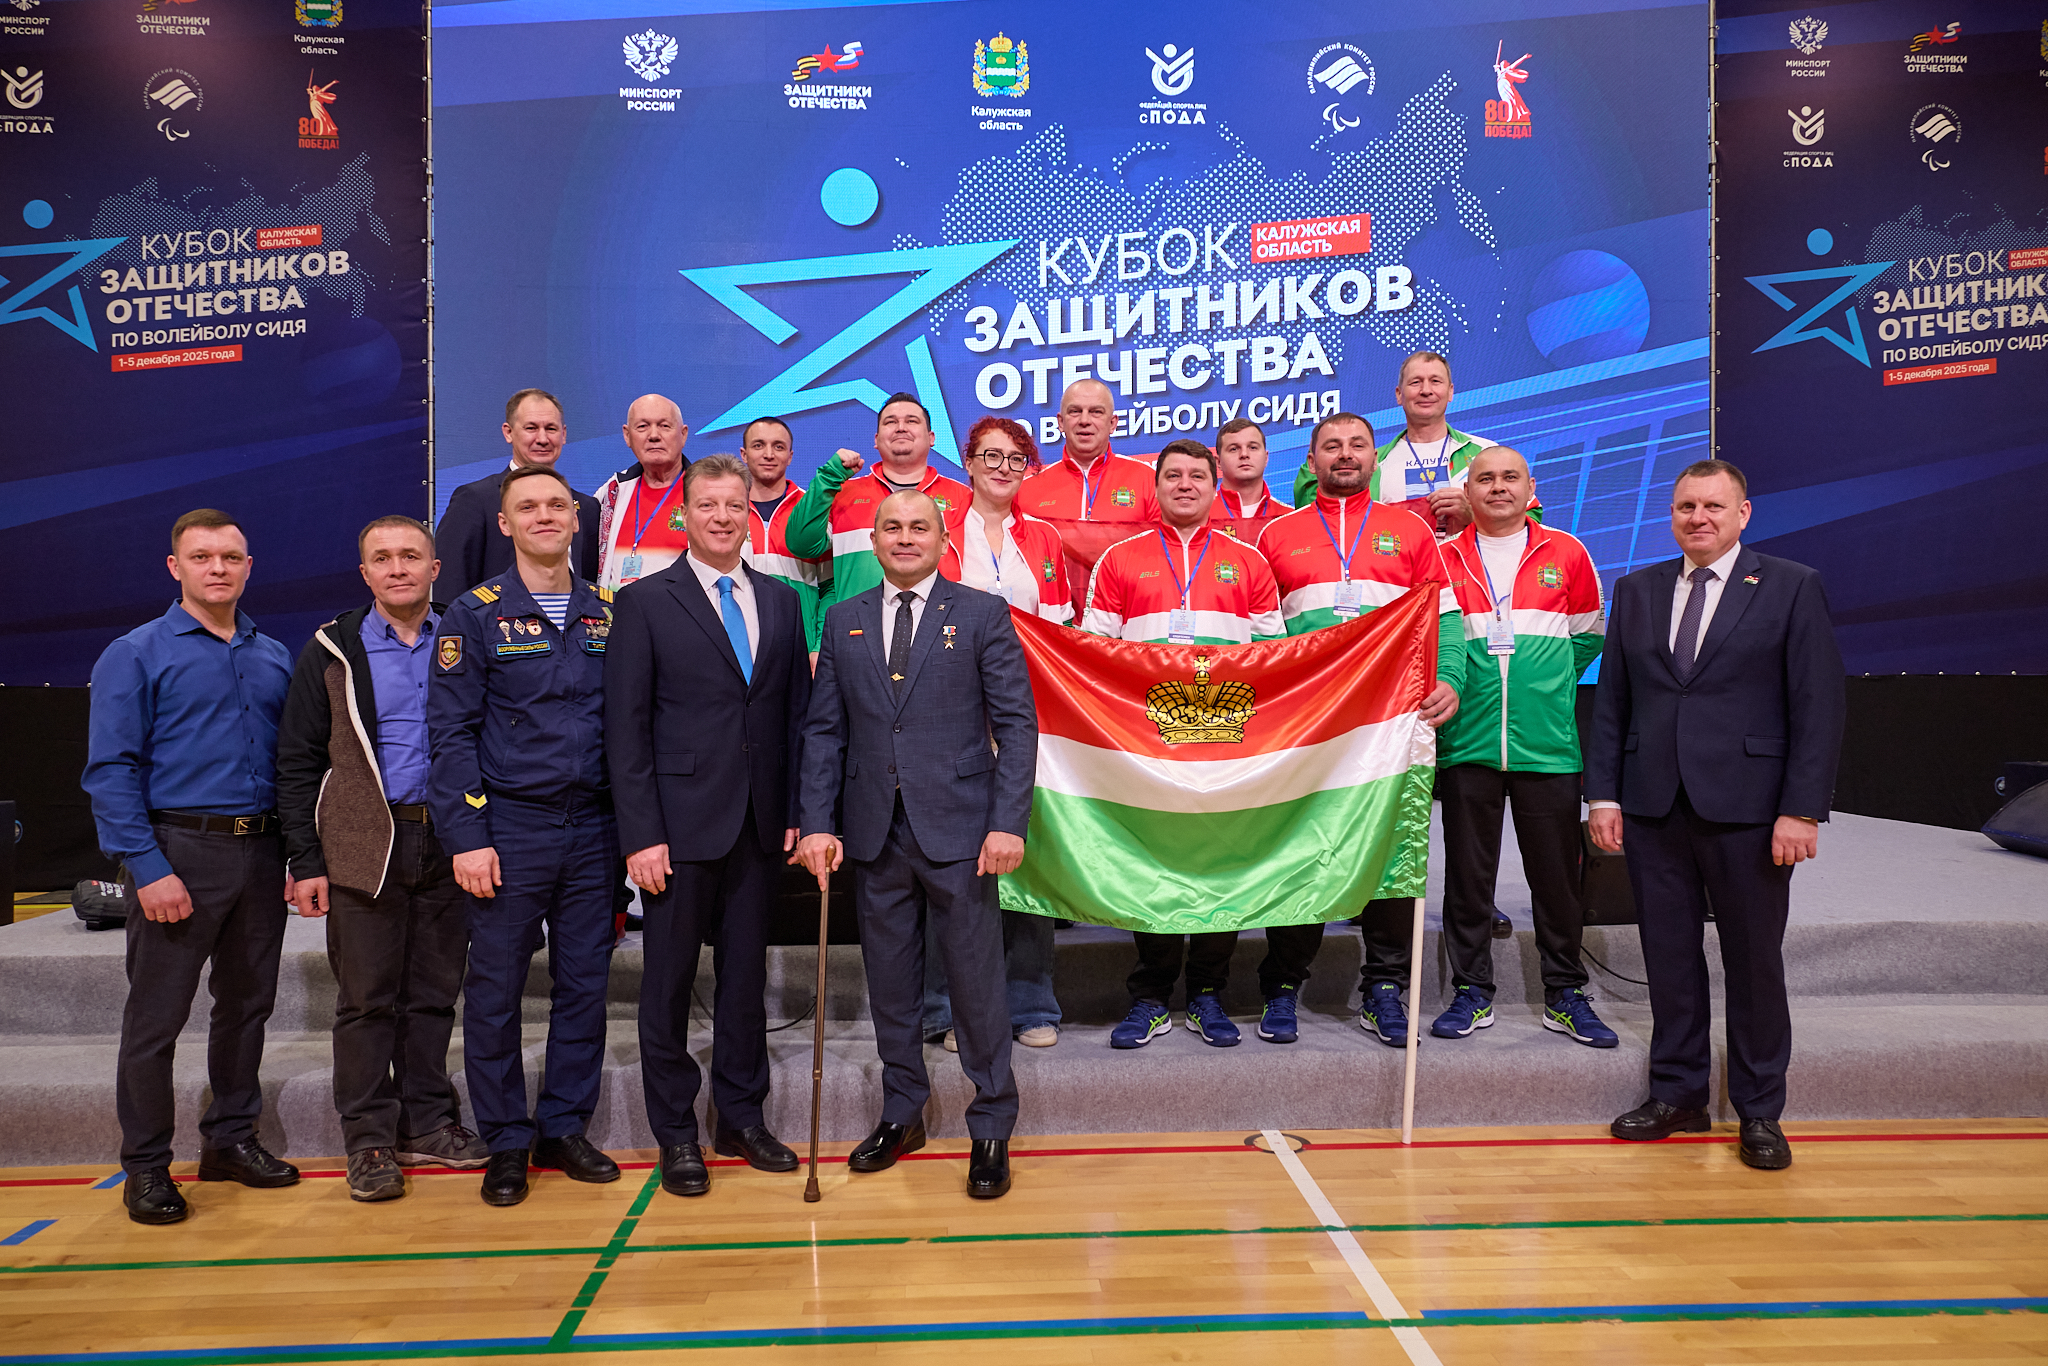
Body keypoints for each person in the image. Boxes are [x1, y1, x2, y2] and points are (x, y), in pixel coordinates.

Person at [1588, 459, 1845, 1171]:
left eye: (1712, 506)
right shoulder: (1636, 590)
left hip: (1752, 812)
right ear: (1670, 514)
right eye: (1685, 507)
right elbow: (1613, 702)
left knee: (1754, 963)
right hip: (1653, 804)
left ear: (1743, 513)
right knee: (1669, 958)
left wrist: (1801, 809)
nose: (1697, 518)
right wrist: (1604, 795)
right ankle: (1678, 1094)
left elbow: (1818, 706)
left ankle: (1759, 1110)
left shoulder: (1791, 585)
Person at [794, 491, 1038, 1201]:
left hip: (962, 830)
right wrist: (817, 821)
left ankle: (991, 1122)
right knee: (891, 986)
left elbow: (1016, 725)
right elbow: (824, 732)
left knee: (976, 986)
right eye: (892, 527)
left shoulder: (982, 613)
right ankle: (902, 1113)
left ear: (941, 538)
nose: (905, 538)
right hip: (874, 832)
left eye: (919, 527)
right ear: (873, 540)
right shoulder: (844, 619)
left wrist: (1008, 822)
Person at [82, 509, 299, 1225]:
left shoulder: (274, 655)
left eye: (230, 557)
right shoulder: (135, 653)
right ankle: (145, 1165)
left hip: (260, 852)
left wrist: (297, 855)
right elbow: (111, 770)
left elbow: (293, 765)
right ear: (175, 567)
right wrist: (147, 867)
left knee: (246, 1007)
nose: (218, 568)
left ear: (248, 566)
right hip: (180, 852)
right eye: (202, 557)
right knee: (156, 1020)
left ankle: (230, 1140)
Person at [606, 455, 812, 1199]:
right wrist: (641, 834)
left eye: (733, 505)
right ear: (683, 515)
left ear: (748, 514)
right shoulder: (643, 602)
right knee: (666, 985)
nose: (722, 517)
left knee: (745, 982)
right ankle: (676, 1133)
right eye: (708, 505)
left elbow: (795, 718)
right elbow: (625, 728)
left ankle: (741, 1118)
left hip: (759, 827)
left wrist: (797, 812)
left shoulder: (782, 601)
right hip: (675, 830)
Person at [276, 517, 490, 1202]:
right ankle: (368, 1140)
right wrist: (305, 859)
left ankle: (427, 1122)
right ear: (365, 572)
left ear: (434, 568)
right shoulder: (331, 649)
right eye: (383, 558)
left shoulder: (465, 636)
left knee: (433, 996)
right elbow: (297, 761)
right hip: (366, 844)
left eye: (411, 556)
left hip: (451, 840)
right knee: (367, 1001)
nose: (398, 568)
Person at [428, 464, 623, 1207]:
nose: (545, 516)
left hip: (594, 827)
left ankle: (563, 1127)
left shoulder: (609, 611)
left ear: (576, 519)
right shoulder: (473, 616)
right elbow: (450, 735)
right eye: (528, 507)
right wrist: (467, 836)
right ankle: (507, 1138)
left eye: (557, 506)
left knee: (585, 985)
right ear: (505, 524)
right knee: (496, 990)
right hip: (509, 829)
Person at [1256, 413, 1464, 1048]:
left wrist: (1450, 677)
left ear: (1375, 458)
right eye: (1331, 446)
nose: (1344, 455)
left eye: (1356, 445)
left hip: (1391, 721)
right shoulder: (1276, 535)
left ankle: (1386, 987)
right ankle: (1282, 983)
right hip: (1309, 726)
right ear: (1311, 461)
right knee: (1302, 848)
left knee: (1389, 850)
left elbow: (1445, 617)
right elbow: (1262, 638)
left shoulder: (1412, 530)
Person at [1082, 439, 1284, 1050]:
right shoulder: (1119, 559)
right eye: (1173, 475)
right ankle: (1150, 995)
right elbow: (1094, 656)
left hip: (1226, 742)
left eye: (1198, 475)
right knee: (1156, 867)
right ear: (1156, 487)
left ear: (1215, 485)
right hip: (1149, 743)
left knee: (1219, 864)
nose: (1186, 485)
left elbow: (1272, 659)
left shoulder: (1249, 562)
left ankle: (1207, 993)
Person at [1432, 448, 1616, 1047]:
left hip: (1547, 744)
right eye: (1484, 478)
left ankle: (1565, 992)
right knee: (1468, 878)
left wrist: (1546, 687)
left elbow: (1588, 635)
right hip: (1468, 741)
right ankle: (1471, 991)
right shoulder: (1442, 557)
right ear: (1467, 492)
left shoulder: (1567, 552)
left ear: (1530, 487)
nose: (1498, 487)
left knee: (1556, 878)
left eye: (1510, 477)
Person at [924, 415, 1069, 1055]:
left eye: (1016, 458)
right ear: (969, 461)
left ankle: (1031, 1002)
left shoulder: (1044, 538)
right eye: (991, 455)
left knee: (1025, 859)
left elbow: (1060, 632)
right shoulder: (938, 529)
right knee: (951, 867)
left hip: (1025, 716)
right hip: (948, 716)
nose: (1003, 468)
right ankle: (948, 1008)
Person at [783, 392, 972, 631]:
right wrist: (828, 478)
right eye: (890, 422)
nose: (901, 427)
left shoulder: (963, 498)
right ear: (876, 439)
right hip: (858, 635)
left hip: (945, 636)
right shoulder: (843, 494)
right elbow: (801, 544)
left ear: (931, 437)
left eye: (912, 421)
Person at [1289, 352, 1520, 539]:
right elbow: (1335, 526)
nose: (1426, 390)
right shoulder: (1372, 464)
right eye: (1415, 382)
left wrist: (1474, 517)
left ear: (1450, 392)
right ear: (1399, 394)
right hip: (1398, 578)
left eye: (1435, 381)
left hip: (1471, 578)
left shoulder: (1486, 453)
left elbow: (1528, 526)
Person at [436, 389, 602, 592]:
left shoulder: (587, 507)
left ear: (564, 434)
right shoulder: (475, 500)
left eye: (551, 428)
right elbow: (449, 584)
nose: (542, 439)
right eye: (531, 428)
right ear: (508, 432)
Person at [738, 416, 832, 656]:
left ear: (790, 456)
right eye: (758, 445)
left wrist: (819, 647)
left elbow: (830, 588)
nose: (769, 454)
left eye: (778, 447)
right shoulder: (727, 511)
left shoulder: (812, 511)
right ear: (744, 454)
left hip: (799, 650)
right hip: (737, 647)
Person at [1017, 379, 1161, 522]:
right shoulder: (1025, 491)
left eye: (1096, 412)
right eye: (1075, 411)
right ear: (1061, 422)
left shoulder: (1149, 481)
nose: (1084, 420)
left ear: (1112, 423)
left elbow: (1166, 536)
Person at [593, 394, 690, 591]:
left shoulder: (706, 491)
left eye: (664, 426)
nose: (653, 435)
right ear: (627, 436)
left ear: (683, 434)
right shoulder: (612, 492)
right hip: (617, 609)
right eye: (643, 426)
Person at [1210, 417, 1288, 529]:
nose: (1244, 454)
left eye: (1253, 447)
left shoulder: (1289, 517)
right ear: (1218, 462)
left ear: (1266, 458)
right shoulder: (1198, 517)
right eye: (1234, 449)